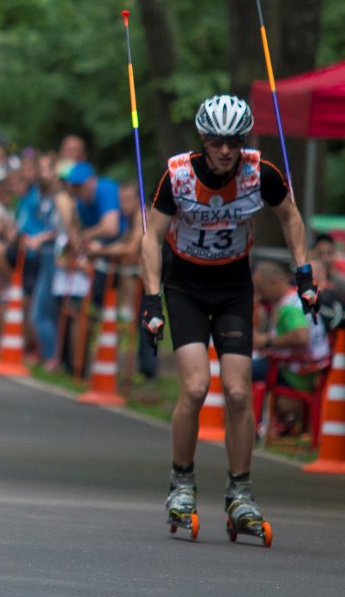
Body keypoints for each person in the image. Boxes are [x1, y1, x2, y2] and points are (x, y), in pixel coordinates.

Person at [140, 94, 317, 541]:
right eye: (217, 141)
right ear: (203, 139)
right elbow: (151, 236)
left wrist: (304, 273)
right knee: (197, 386)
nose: (225, 150)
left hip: (234, 286)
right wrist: (150, 301)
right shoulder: (177, 175)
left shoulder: (261, 172)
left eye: (234, 142)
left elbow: (291, 218)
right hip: (186, 287)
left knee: (238, 390)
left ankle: (241, 492)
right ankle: (182, 483)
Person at [251, 260, 330, 438]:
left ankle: (253, 425)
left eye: (260, 288)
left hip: (297, 373)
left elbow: (301, 336)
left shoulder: (288, 306)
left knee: (242, 369)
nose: (259, 294)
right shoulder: (299, 297)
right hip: (311, 368)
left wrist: (267, 342)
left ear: (272, 282)